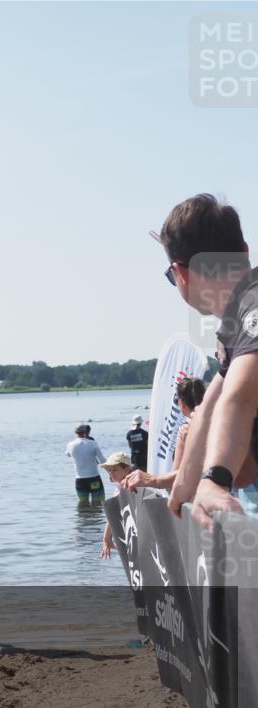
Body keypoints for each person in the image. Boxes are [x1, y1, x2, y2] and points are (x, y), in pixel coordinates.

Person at [154, 195, 258, 528]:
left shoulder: (253, 304)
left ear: (180, 273)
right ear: (244, 251)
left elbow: (240, 395)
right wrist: (183, 487)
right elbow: (214, 400)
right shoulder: (235, 326)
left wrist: (215, 480)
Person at [122, 378, 206, 493]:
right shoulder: (220, 423)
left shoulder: (186, 430)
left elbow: (178, 480)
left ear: (181, 403)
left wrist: (151, 480)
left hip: (197, 500)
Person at [65, 424, 107, 507]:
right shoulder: (93, 443)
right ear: (85, 432)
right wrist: (111, 473)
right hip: (94, 478)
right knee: (98, 503)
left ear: (75, 432)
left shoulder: (70, 445)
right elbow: (102, 460)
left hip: (80, 480)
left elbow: (67, 454)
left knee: (83, 504)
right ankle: (96, 520)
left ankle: (84, 518)